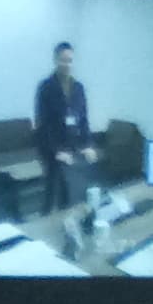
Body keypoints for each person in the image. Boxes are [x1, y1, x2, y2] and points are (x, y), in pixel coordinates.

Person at [29, 41, 92, 216]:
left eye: (70, 60)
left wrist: (87, 144)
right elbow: (42, 123)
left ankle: (65, 221)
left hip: (71, 144)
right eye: (63, 60)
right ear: (55, 60)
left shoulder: (78, 88)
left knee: (69, 191)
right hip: (50, 147)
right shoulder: (45, 87)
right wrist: (57, 151)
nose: (67, 64)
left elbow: (83, 119)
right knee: (51, 190)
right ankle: (45, 218)